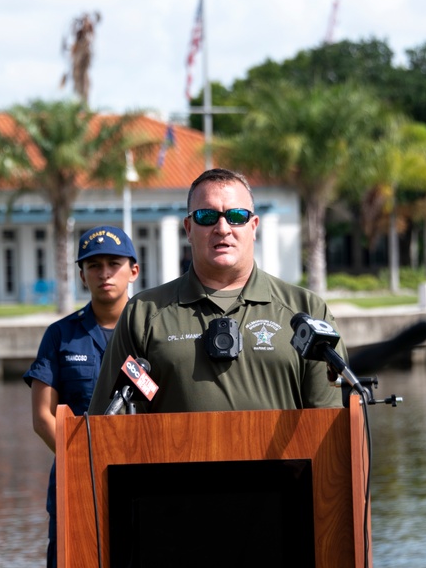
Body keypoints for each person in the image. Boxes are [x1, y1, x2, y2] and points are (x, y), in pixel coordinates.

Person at [88, 168, 344, 415]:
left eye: (236, 216)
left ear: (253, 226)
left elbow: (329, 423)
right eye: (206, 217)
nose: (222, 228)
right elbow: (115, 423)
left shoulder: (306, 312)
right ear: (188, 229)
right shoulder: (144, 314)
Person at [22, 225, 139, 568]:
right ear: (82, 274)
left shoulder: (152, 332)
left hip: (140, 475)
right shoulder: (61, 335)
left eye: (113, 263)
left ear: (133, 270)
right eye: (94, 265)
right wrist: (83, 464)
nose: (105, 273)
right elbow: (42, 417)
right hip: (76, 477)